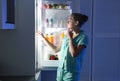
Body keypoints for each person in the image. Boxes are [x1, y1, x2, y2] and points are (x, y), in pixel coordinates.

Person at [37, 13, 88, 81]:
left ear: (76, 23)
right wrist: (43, 38)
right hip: (61, 70)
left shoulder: (83, 37)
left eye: (69, 20)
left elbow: (74, 54)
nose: (67, 22)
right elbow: (56, 49)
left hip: (71, 72)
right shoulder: (66, 36)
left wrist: (70, 39)